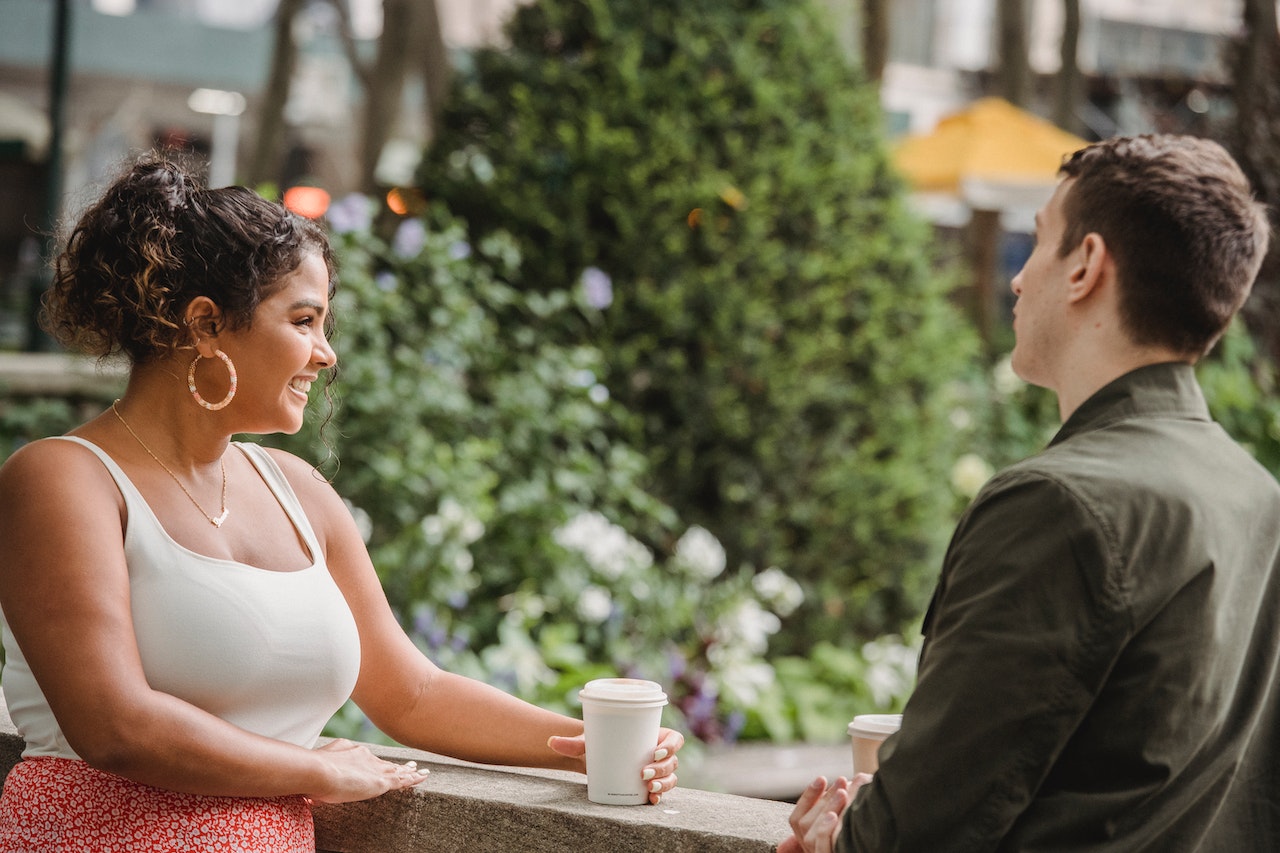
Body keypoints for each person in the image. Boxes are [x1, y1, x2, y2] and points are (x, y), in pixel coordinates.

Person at [0, 155, 683, 850]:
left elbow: (411, 693)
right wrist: (312, 769)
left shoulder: (300, 494)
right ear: (206, 324)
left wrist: (589, 743)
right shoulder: (61, 480)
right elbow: (115, 725)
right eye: (304, 320)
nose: (326, 354)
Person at [783, 133, 1279, 852]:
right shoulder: (1258, 496)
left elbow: (913, 832)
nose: (1018, 278)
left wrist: (842, 833)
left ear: (1086, 265)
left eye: (1038, 241)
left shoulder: (1060, 504)